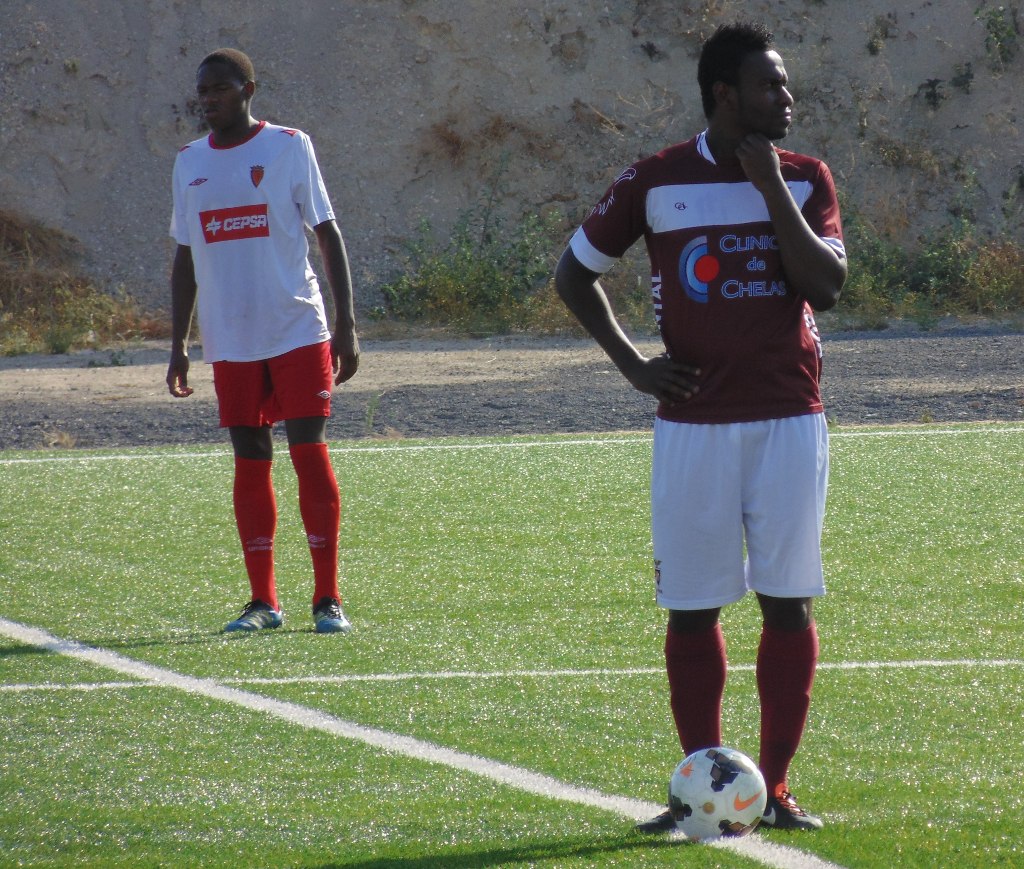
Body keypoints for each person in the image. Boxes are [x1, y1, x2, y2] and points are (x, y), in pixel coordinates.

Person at [554, 23, 846, 831]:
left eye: (784, 85)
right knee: (691, 608)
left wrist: (771, 189)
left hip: (789, 420)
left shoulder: (805, 177)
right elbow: (574, 273)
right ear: (725, 94)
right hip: (692, 427)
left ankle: (774, 788)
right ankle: (698, 790)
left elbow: (826, 287)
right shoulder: (656, 179)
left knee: (788, 604)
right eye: (769, 85)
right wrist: (633, 364)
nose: (786, 98)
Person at [166, 48, 360, 635]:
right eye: (203, 90)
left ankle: (327, 599)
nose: (208, 99)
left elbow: (327, 233)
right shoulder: (189, 161)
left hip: (296, 325)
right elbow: (184, 257)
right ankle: (263, 602)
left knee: (308, 451)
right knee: (250, 457)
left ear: (248, 89)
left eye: (220, 88)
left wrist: (347, 325)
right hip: (229, 335)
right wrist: (179, 343)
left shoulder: (289, 146)